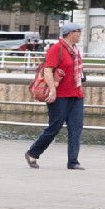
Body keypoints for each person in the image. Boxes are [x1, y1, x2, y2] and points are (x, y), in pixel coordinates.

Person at [27, 22, 85, 170]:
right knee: (55, 127)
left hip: (76, 94)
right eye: (78, 31)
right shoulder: (56, 49)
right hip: (60, 96)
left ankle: (73, 161)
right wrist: (52, 90)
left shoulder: (75, 51)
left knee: (76, 128)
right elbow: (48, 71)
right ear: (71, 33)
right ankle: (33, 153)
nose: (80, 34)